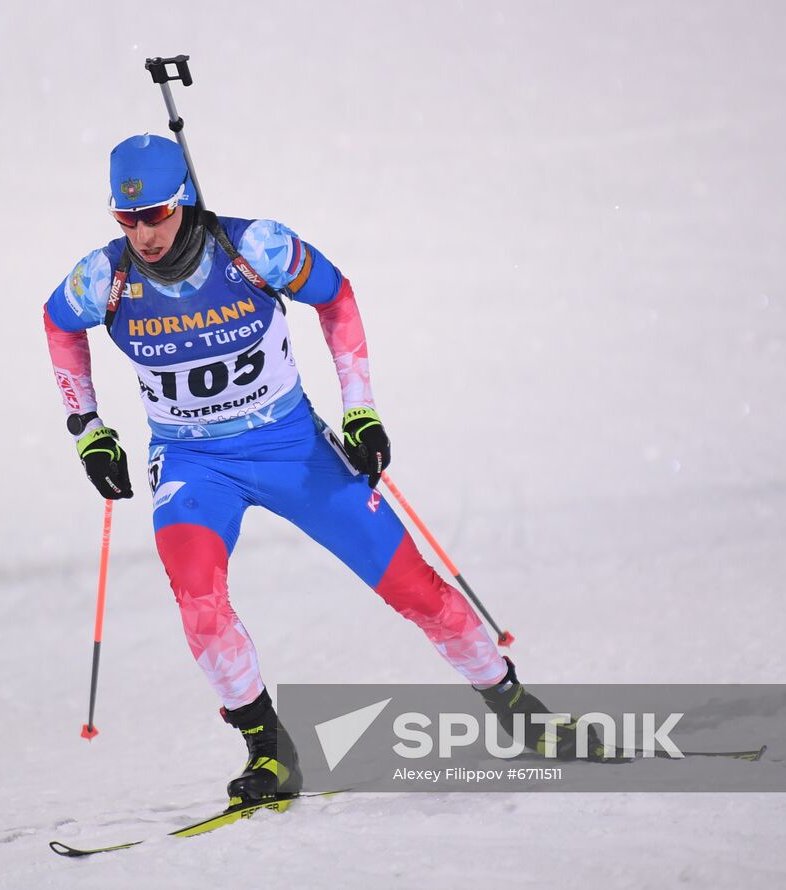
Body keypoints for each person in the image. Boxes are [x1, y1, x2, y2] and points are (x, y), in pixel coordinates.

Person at [43, 134, 591, 806]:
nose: (144, 233)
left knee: (414, 590)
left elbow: (337, 298)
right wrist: (88, 429)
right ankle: (268, 753)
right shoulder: (104, 278)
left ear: (182, 199)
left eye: (155, 213)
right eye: (127, 219)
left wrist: (359, 410)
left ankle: (516, 707)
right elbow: (58, 324)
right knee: (200, 607)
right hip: (193, 463)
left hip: (293, 449)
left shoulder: (257, 248)